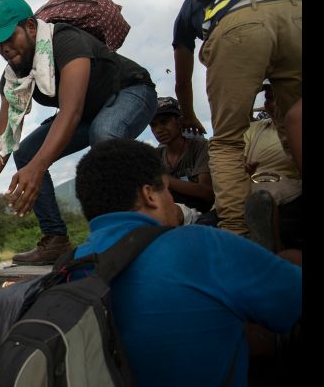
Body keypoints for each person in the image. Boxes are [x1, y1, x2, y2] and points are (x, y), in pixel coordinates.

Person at [72, 138, 302, 387]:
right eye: (167, 190)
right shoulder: (199, 243)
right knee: (291, 262)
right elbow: (294, 302)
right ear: (150, 195)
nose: (171, 199)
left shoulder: (69, 267)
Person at [0, 0, 157, 265]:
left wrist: (39, 166)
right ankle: (56, 240)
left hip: (131, 91)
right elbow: (2, 140)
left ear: (31, 27)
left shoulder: (66, 41)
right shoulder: (12, 79)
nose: (4, 49)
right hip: (88, 113)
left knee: (103, 136)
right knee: (27, 152)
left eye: (9, 37)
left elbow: (71, 111)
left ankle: (129, 232)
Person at [171, 0, 302, 238]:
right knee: (295, 120)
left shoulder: (196, 1)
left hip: (238, 24)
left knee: (228, 142)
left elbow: (182, 77)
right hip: (296, 6)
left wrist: (187, 113)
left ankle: (236, 233)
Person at [244, 82, 302, 251]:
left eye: (277, 97)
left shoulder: (296, 125)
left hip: (289, 189)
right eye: (268, 98)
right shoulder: (254, 128)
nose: (271, 103)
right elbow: (238, 162)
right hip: (249, 186)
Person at [149, 96, 215, 216]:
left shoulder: (200, 147)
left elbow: (207, 192)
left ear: (179, 122)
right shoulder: (155, 155)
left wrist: (165, 179)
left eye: (164, 122)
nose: (159, 129)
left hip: (202, 213)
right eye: (153, 125)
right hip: (171, 212)